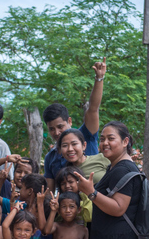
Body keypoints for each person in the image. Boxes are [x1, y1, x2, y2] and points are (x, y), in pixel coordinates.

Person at [43, 58, 106, 191]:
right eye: (52, 129)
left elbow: (93, 109)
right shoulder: (50, 157)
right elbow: (50, 190)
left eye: (60, 127)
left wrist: (99, 79)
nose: (56, 132)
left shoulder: (86, 135)